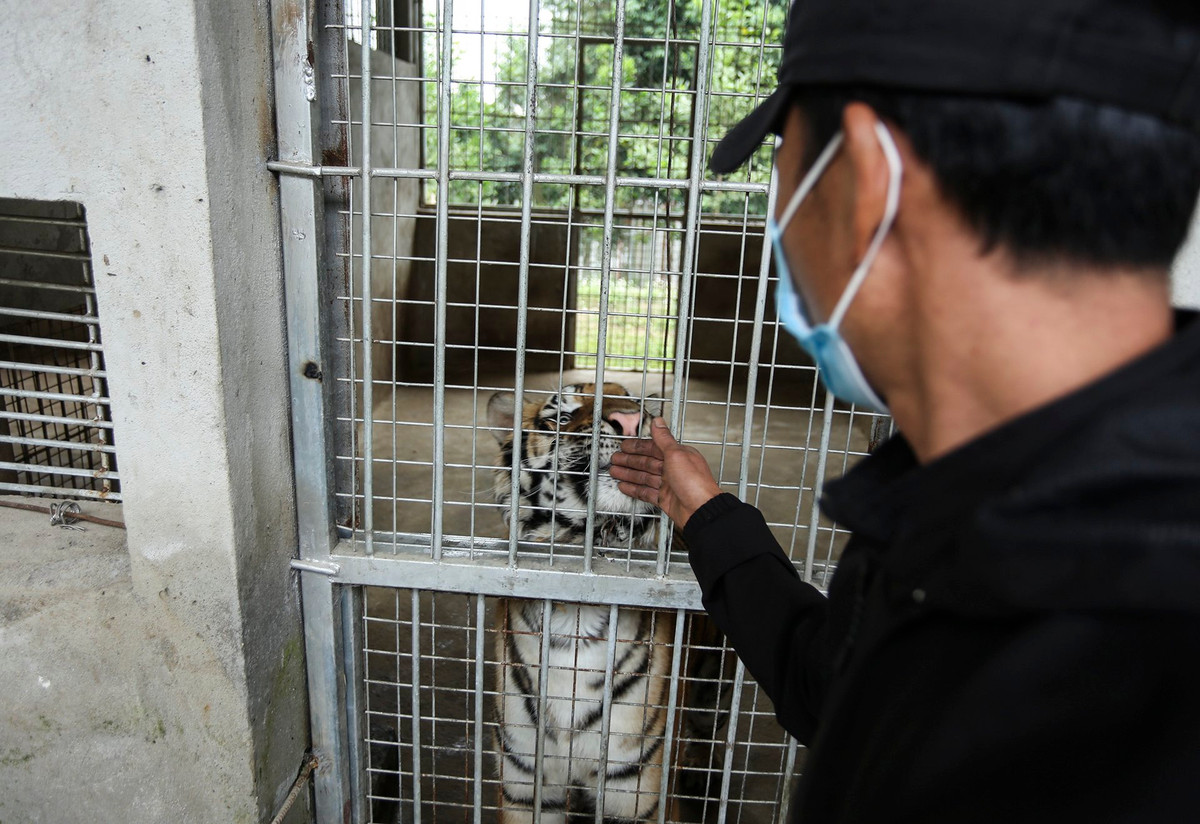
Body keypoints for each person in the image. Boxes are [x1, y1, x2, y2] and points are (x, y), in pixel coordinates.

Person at [609, 1, 1200, 821]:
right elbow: (840, 688)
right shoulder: (962, 489)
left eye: (785, 160)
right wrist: (704, 513)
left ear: (869, 184)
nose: (778, 210)